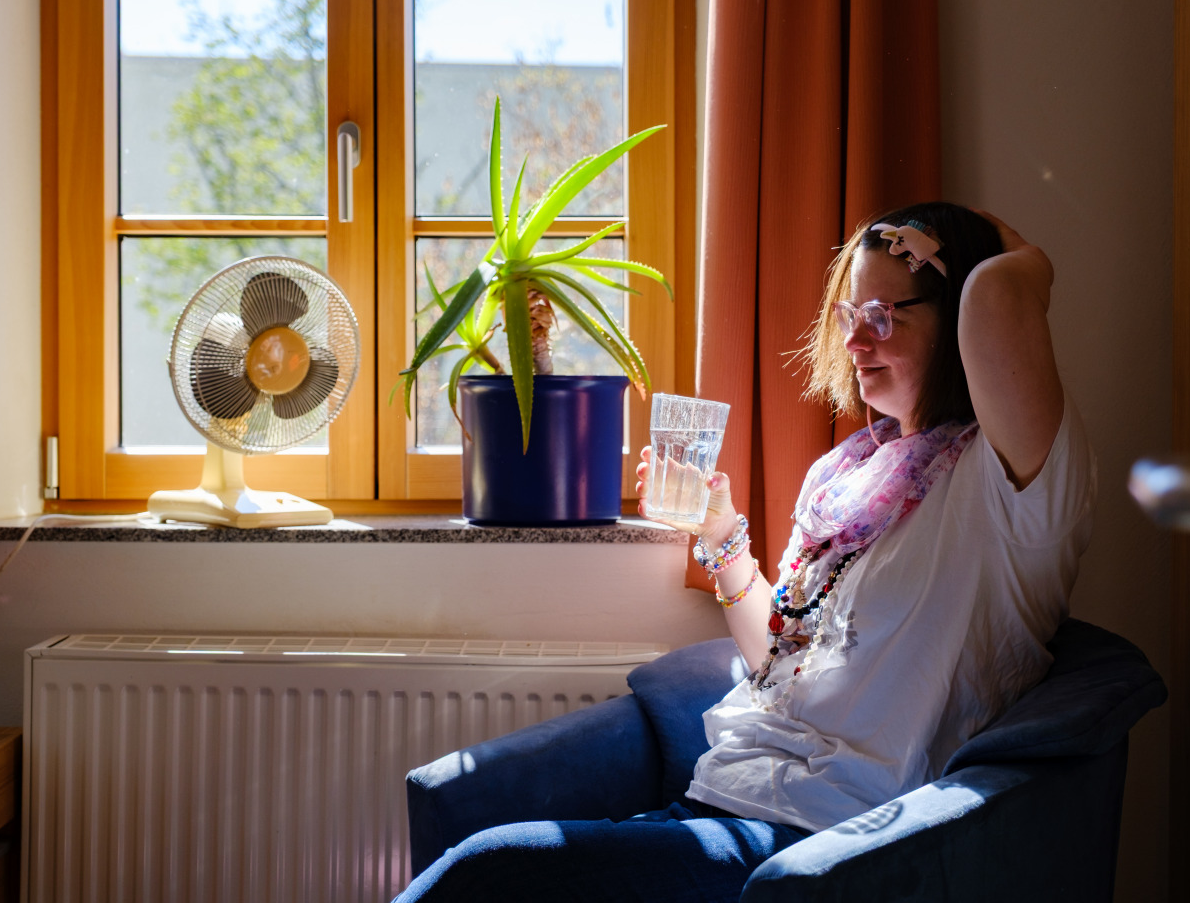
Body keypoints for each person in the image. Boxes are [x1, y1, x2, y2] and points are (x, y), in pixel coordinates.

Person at [396, 201, 1096, 902]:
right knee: (490, 858)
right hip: (724, 798)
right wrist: (719, 533)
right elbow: (776, 661)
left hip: (825, 846)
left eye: (883, 316)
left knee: (486, 869)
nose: (855, 342)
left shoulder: (1009, 486)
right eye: (849, 316)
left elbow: (1000, 293)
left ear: (955, 320)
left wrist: (987, 239)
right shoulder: (845, 477)